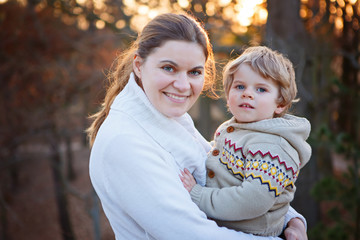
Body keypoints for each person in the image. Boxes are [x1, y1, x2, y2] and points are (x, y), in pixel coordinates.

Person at [87, 13, 308, 240]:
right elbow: (192, 234)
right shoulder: (124, 142)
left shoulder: (167, 116)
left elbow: (232, 175)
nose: (183, 86)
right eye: (168, 68)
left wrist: (292, 220)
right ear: (139, 65)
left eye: (194, 72)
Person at [180, 46, 312, 237]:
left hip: (249, 232)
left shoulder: (272, 147)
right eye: (240, 86)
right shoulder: (238, 127)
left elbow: (253, 200)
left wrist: (198, 194)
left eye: (261, 89)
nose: (247, 93)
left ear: (280, 103)